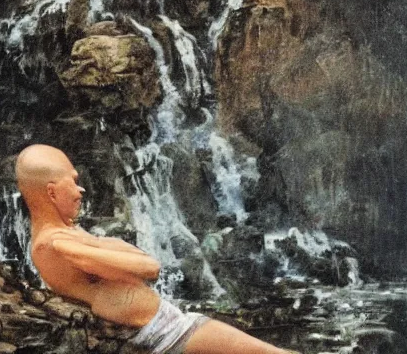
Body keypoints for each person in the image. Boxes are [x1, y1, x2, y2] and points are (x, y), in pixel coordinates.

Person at [15, 144, 297, 354]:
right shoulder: (56, 244)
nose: (80, 191)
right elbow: (149, 267)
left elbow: (139, 259)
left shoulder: (67, 235)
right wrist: (102, 245)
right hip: (166, 336)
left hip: (170, 328)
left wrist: (101, 245)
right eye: (73, 182)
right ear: (51, 192)